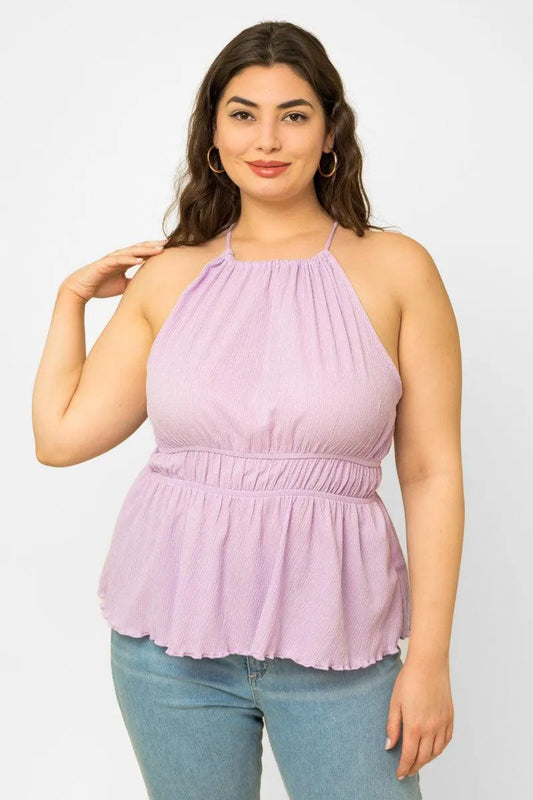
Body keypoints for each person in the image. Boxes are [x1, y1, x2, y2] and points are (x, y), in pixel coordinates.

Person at [32, 19, 463, 800]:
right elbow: (60, 438)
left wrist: (429, 659)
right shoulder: (171, 276)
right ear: (212, 136)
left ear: (329, 134)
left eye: (293, 115)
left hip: (337, 649)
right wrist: (70, 303)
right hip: (168, 649)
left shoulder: (396, 268)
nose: (266, 139)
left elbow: (431, 471)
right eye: (242, 114)